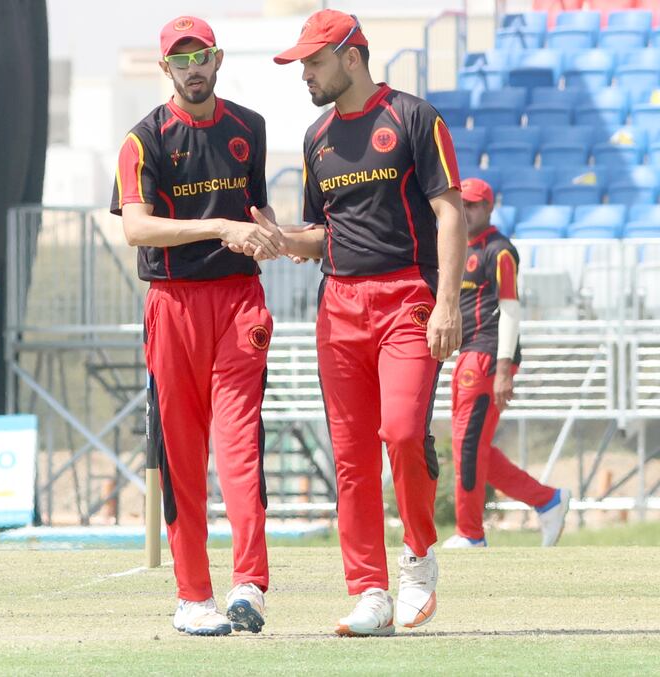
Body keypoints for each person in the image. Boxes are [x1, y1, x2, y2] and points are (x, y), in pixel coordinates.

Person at [267, 9, 467, 636]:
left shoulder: (414, 118)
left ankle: (418, 558)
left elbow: (452, 213)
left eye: (314, 61)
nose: (305, 73)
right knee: (351, 459)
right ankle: (369, 591)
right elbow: (323, 235)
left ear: (352, 56)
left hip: (408, 296)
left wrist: (449, 302)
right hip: (339, 307)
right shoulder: (315, 137)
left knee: (403, 432)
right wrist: (278, 241)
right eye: (301, 63)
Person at [110, 15, 285, 636]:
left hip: (240, 300)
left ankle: (250, 584)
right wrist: (222, 228)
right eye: (180, 60)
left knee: (239, 443)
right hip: (173, 302)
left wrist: (274, 235)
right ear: (166, 69)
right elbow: (137, 227)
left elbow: (255, 209)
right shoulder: (144, 139)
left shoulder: (249, 128)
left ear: (218, 58)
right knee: (181, 452)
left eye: (201, 56)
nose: (192, 68)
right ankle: (193, 598)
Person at [444, 178, 571, 549]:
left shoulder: (499, 251)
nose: (467, 211)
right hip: (469, 352)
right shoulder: (462, 245)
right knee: (472, 445)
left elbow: (511, 310)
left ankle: (471, 534)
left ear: (489, 207)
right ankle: (547, 500)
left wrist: (502, 370)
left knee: (467, 446)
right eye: (462, 204)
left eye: (474, 205)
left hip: (487, 356)